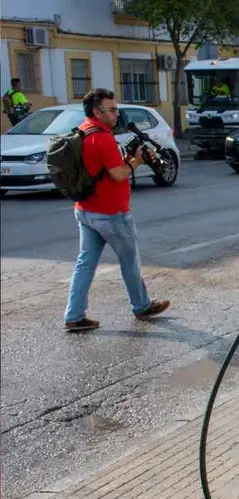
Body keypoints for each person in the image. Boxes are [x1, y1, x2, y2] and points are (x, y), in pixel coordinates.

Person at [65, 88, 170, 332]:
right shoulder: (102, 138)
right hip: (111, 212)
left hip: (86, 209)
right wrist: (137, 161)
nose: (116, 114)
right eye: (111, 110)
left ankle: (74, 315)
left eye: (116, 109)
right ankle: (142, 305)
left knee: (85, 263)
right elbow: (117, 174)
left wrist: (128, 157)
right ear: (96, 111)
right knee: (129, 261)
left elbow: (100, 169)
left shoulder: (83, 131)